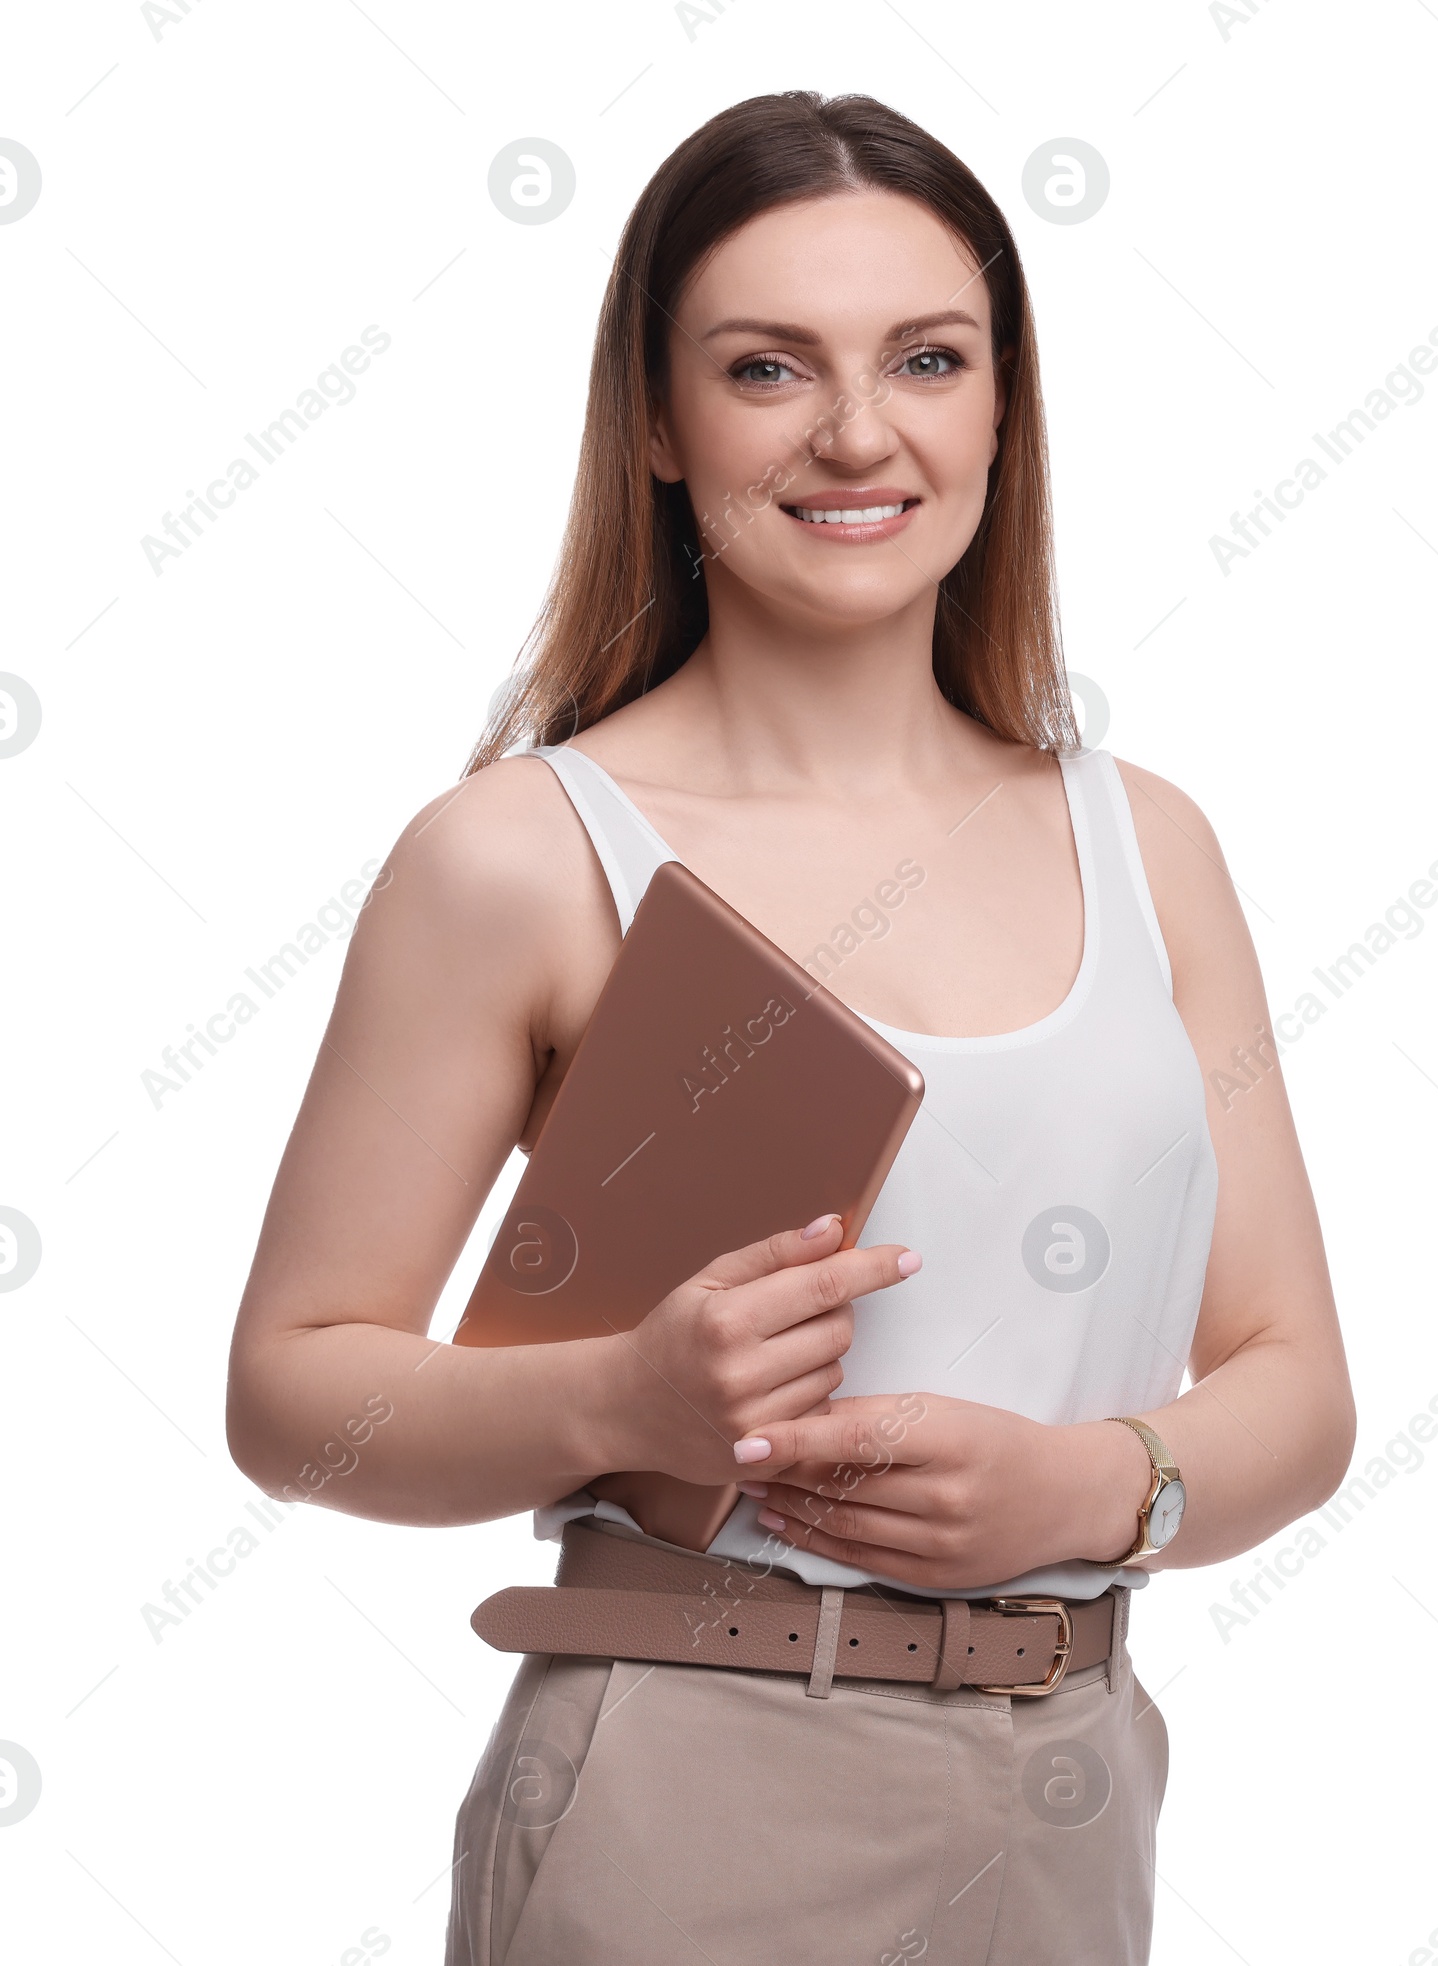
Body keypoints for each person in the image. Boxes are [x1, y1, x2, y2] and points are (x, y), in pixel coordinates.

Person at [226, 90, 1356, 1966]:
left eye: (929, 357)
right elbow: (290, 1392)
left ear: (1004, 406)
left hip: (1075, 1778)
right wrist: (620, 1397)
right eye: (768, 368)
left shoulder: (1150, 842)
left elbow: (1295, 1383)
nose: (859, 432)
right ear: (659, 424)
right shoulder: (521, 858)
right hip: (694, 1779)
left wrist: (1091, 1485)